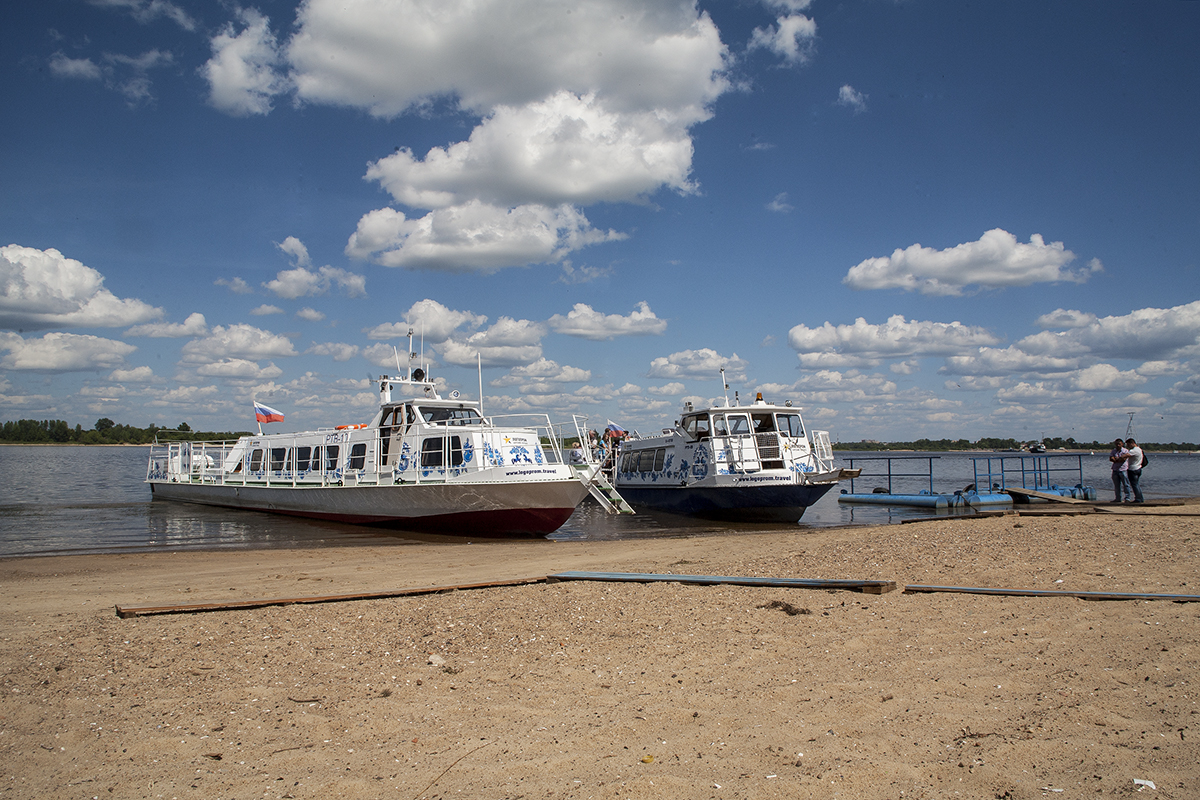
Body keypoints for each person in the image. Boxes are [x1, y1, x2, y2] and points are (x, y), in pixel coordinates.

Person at [1109, 438, 1131, 502]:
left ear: (1122, 444)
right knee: (1116, 485)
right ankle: (1118, 498)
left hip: (1123, 469)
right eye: (1116, 444)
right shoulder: (1114, 451)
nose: (1118, 445)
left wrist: (1117, 459)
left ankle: (1127, 498)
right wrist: (1116, 459)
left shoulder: (1125, 451)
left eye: (1119, 444)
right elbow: (1111, 458)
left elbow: (1123, 459)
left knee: (1126, 484)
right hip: (1115, 469)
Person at [1125, 437, 1144, 503]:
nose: (1128, 447)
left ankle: (1138, 498)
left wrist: (1119, 457)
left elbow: (1126, 455)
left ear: (1132, 443)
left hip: (1133, 469)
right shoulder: (1139, 449)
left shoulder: (1134, 450)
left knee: (1134, 485)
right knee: (1136, 484)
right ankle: (1140, 498)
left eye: (1128, 445)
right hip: (1138, 468)